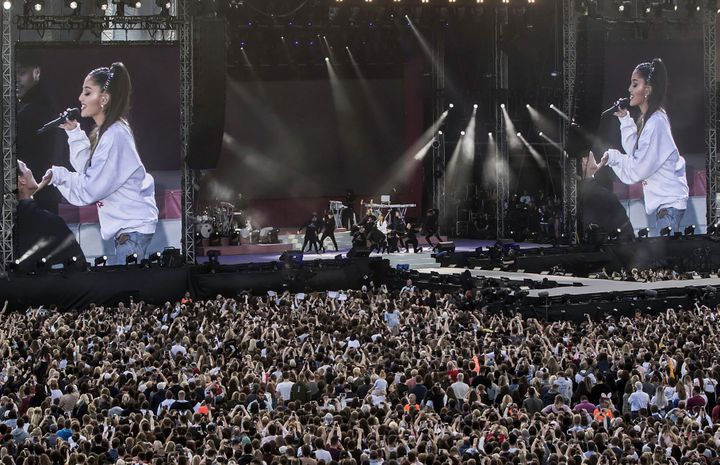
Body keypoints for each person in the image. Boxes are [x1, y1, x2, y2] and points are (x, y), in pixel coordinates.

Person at [45, 62, 158, 265]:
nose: (80, 98)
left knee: (124, 292)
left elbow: (91, 188)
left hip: (132, 230)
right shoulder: (109, 132)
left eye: (87, 93)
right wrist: (74, 132)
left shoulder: (115, 135)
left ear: (104, 99)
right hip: (130, 228)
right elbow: (91, 169)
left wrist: (59, 176)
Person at [599, 58, 689, 235]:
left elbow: (638, 169)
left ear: (647, 90)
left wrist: (614, 157)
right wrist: (625, 119)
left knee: (662, 260)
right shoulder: (651, 120)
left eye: (634, 84)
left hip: (668, 207)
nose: (629, 90)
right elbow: (637, 152)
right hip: (666, 206)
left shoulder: (656, 122)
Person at [15, 49, 66, 214]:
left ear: (36, 72)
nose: (16, 79)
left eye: (22, 73)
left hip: (38, 194)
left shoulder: (38, 108)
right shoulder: (30, 105)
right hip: (39, 193)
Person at [13, 159, 86, 271]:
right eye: (25, 167)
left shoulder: (9, 224)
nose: (30, 170)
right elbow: (80, 265)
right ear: (21, 180)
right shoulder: (51, 222)